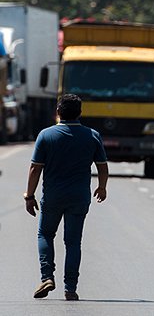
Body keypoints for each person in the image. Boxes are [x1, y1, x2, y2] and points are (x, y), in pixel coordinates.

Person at [24, 94, 109, 301]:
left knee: (45, 235)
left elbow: (35, 168)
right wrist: (102, 187)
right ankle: (70, 288)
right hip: (79, 197)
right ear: (80, 113)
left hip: (52, 196)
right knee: (73, 242)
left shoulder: (46, 135)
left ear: (58, 112)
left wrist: (29, 195)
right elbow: (102, 166)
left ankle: (47, 277)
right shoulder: (92, 135)